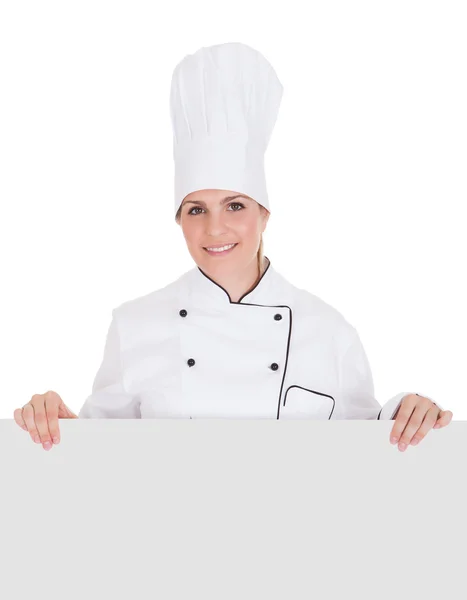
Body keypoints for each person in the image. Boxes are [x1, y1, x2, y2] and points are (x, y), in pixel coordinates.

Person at [14, 42, 452, 450]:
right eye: (196, 209)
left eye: (235, 205)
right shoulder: (135, 325)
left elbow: (370, 452)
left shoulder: (329, 332)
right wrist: (52, 422)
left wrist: (410, 415)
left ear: (264, 214)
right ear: (179, 221)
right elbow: (94, 459)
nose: (215, 229)